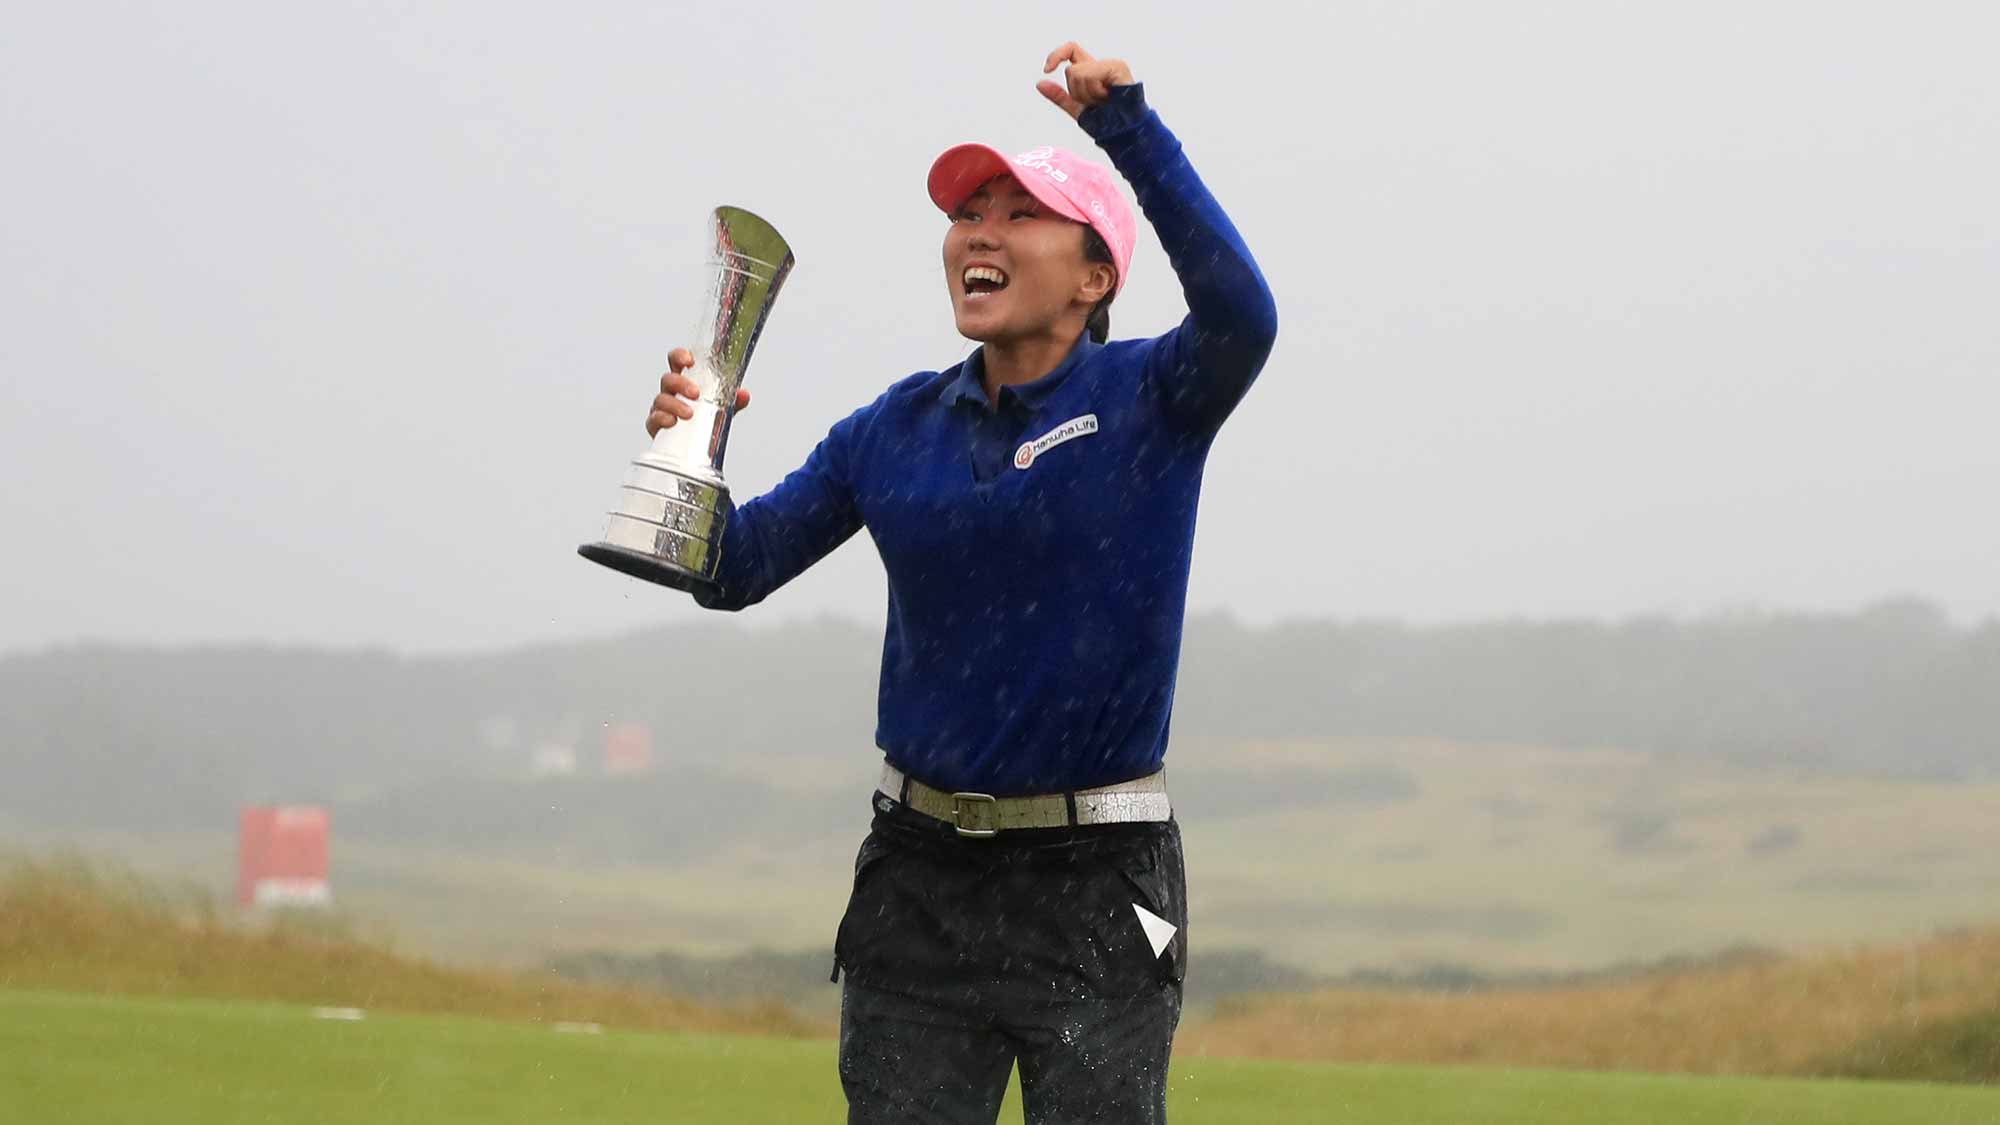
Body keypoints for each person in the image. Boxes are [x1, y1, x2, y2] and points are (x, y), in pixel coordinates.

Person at [645, 41, 1275, 1125]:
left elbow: (1241, 315)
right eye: (967, 212)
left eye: (1019, 213)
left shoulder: (1151, 399)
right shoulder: (891, 429)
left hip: (1097, 880)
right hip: (918, 878)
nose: (979, 231)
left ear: (1093, 277)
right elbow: (731, 571)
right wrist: (689, 457)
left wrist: (1126, 128)